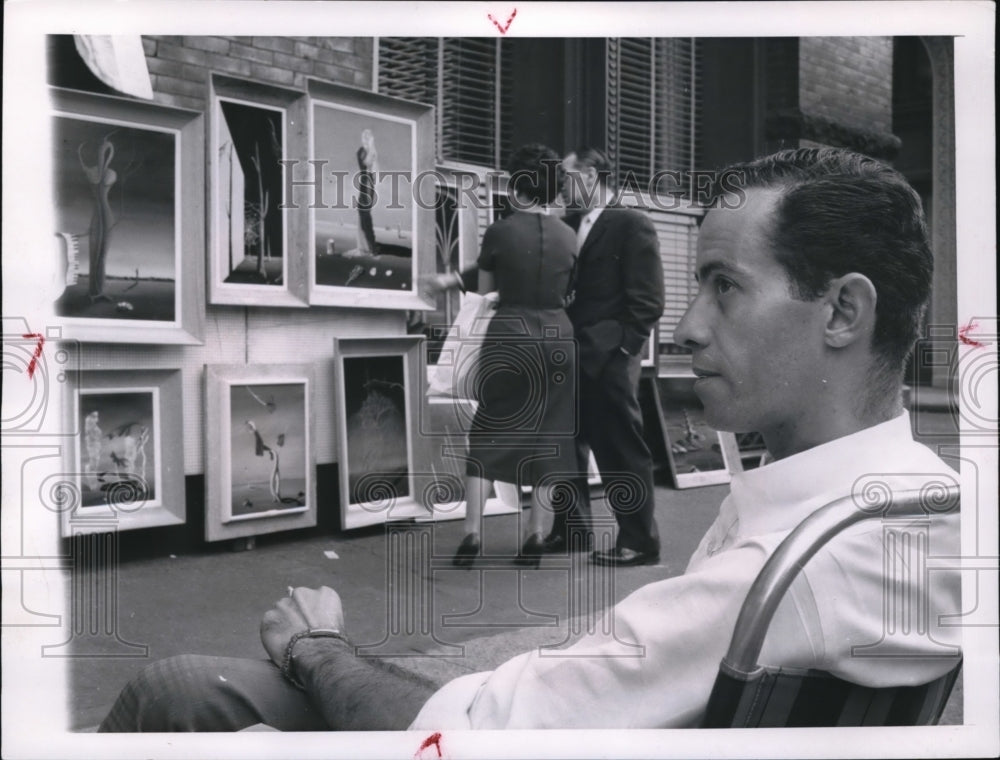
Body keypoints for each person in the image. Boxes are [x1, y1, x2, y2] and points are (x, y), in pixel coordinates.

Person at [99, 147, 960, 732]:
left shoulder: (794, 571)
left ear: (844, 311)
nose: (692, 326)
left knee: (174, 687)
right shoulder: (932, 505)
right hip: (562, 353)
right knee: (555, 453)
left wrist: (316, 645)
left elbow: (472, 732)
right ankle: (566, 528)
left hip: (539, 364)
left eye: (726, 287)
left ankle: (530, 532)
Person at [426, 147, 667, 567]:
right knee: (563, 445)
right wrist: (452, 278)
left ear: (591, 175)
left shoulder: (632, 223)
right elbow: (514, 262)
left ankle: (640, 541)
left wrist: (622, 351)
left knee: (619, 447)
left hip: (606, 359)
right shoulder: (569, 225)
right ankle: (571, 531)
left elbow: (648, 302)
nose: (560, 186)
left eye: (569, 175)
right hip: (565, 353)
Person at [452, 143, 579, 567]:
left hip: (511, 333)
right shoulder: (568, 236)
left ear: (516, 185)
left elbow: (486, 290)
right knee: (550, 433)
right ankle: (536, 535)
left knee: (488, 428)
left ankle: (472, 533)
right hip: (559, 337)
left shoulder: (500, 232)